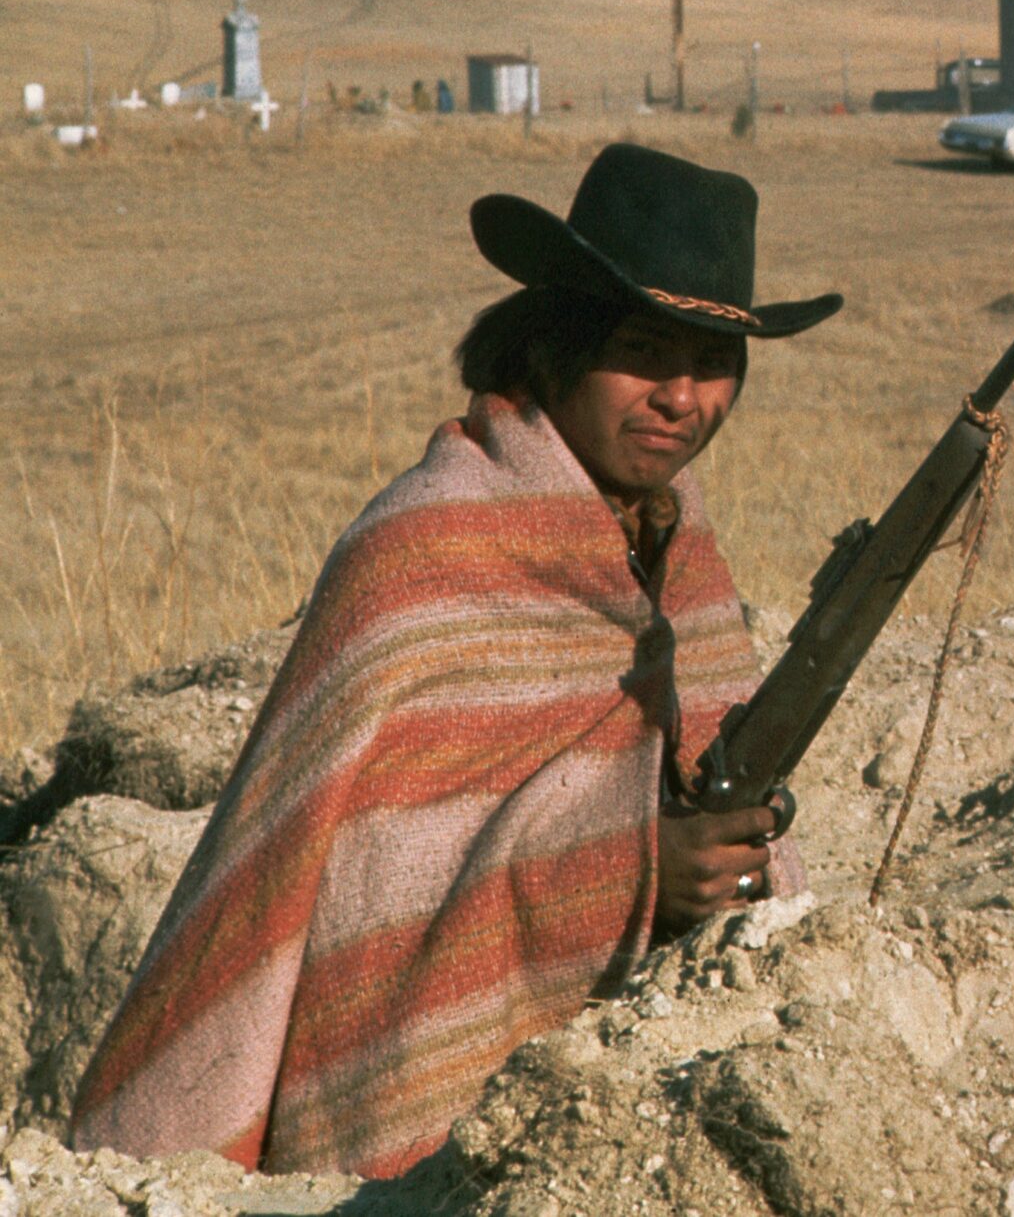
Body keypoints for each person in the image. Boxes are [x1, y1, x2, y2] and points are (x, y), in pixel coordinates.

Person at [73, 145, 842, 1179]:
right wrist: (631, 871)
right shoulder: (422, 550)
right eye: (643, 349)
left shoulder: (677, 543)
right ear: (558, 343)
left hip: (632, 1108)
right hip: (416, 1119)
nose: (681, 396)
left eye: (713, 363)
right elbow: (361, 889)